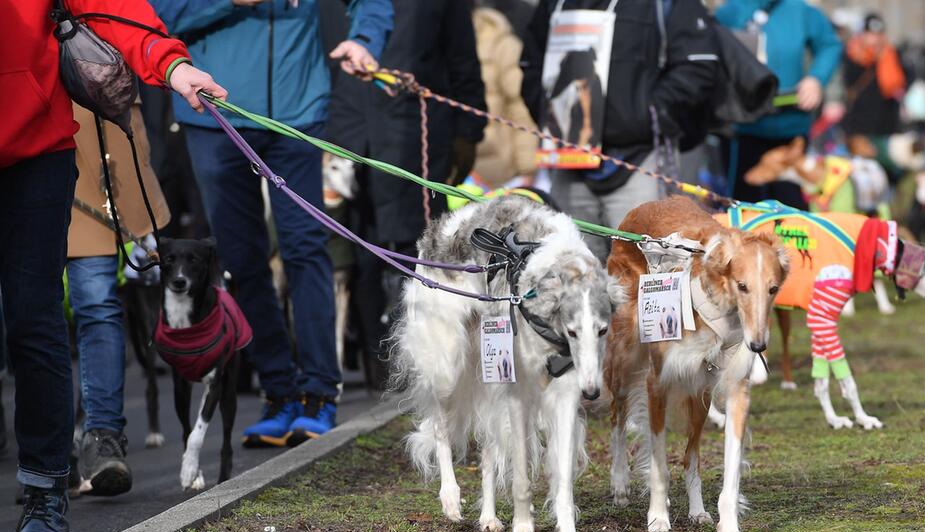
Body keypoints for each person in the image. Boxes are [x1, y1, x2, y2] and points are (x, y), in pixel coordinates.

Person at [2, 1, 225, 532]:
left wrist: (172, 67)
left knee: (41, 320)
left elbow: (114, 10)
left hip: (39, 152)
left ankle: (47, 488)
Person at [150, 0, 393, 447]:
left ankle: (319, 394)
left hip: (297, 114)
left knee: (305, 248)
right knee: (243, 259)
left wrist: (364, 39)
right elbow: (158, 16)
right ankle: (278, 393)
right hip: (212, 114)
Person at [322, 0, 486, 392]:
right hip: (347, 127)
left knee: (421, 246)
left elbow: (461, 56)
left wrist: (469, 128)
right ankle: (378, 364)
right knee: (359, 246)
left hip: (415, 127)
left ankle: (423, 357)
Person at [521, 0, 719, 260]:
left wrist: (648, 114)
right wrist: (550, 114)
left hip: (639, 161)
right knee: (575, 279)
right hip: (569, 163)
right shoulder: (555, 4)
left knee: (643, 275)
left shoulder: (665, 5)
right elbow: (531, 64)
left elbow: (698, 65)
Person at [67, 101, 172, 497]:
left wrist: (171, 66)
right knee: (34, 320)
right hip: (24, 136)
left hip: (96, 129)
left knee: (97, 305)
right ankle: (48, 456)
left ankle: (103, 439)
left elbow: (141, 37)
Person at [716, 0, 842, 209]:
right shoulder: (731, 10)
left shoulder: (801, 11)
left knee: (794, 215)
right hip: (743, 130)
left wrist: (816, 79)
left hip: (791, 133)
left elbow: (829, 45)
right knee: (745, 211)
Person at [840, 12, 906, 177]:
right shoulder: (851, 55)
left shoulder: (891, 56)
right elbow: (845, 85)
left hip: (886, 128)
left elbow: (898, 85)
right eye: (870, 34)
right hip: (859, 128)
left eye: (879, 34)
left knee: (887, 175)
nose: (875, 39)